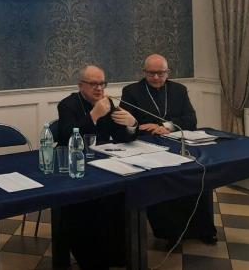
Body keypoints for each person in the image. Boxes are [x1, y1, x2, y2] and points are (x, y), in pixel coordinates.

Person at [120, 54, 217, 245]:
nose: (156, 77)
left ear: (168, 72)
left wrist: (165, 126)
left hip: (177, 144)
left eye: (160, 73)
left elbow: (191, 120)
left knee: (197, 176)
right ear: (144, 72)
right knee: (164, 181)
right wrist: (141, 126)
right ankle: (172, 233)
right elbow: (126, 126)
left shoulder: (178, 90)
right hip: (146, 147)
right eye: (151, 73)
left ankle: (202, 229)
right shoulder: (131, 92)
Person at [55, 64, 137, 270]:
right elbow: (65, 136)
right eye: (93, 84)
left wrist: (131, 124)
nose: (99, 88)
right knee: (87, 206)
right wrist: (93, 115)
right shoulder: (67, 105)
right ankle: (90, 259)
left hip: (104, 163)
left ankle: (116, 254)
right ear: (80, 85)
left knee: (119, 197)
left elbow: (121, 136)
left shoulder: (108, 103)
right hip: (74, 166)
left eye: (102, 83)